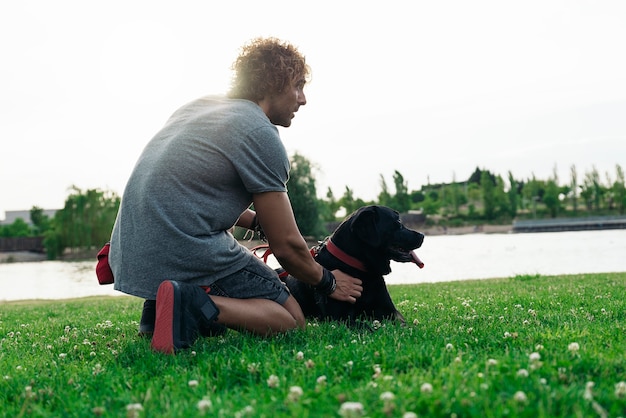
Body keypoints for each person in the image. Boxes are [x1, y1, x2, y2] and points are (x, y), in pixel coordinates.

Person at [108, 37, 363, 353]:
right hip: (180, 246)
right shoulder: (260, 133)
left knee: (237, 273)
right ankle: (188, 302)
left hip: (131, 246)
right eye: (298, 86)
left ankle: (159, 308)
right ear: (274, 83)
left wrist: (254, 221)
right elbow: (287, 247)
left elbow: (186, 187)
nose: (303, 99)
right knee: (289, 318)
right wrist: (329, 282)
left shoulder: (201, 107)